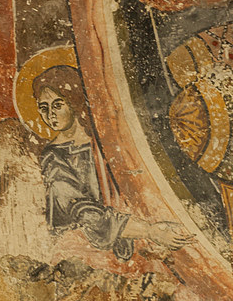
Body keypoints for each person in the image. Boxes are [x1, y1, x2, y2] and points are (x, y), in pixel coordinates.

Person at [34, 67, 192, 258]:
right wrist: (150, 231)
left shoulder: (104, 142)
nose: (50, 114)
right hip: (84, 249)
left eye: (57, 105)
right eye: (44, 108)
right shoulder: (53, 157)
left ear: (73, 101)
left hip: (131, 239)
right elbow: (84, 212)